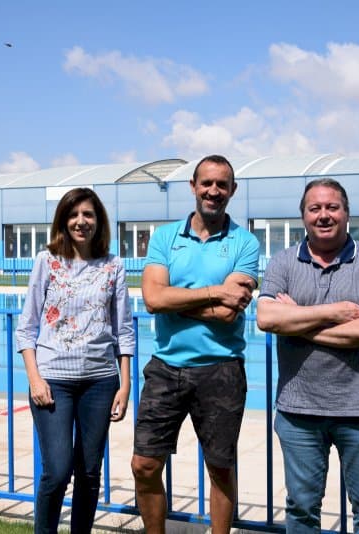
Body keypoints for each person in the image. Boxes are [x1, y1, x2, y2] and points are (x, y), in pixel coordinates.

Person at [130, 155, 260, 534]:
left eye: (222, 185)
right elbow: (153, 300)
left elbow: (228, 314)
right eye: (207, 183)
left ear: (232, 191)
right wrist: (213, 293)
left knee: (220, 467)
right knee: (144, 464)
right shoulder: (165, 237)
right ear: (193, 186)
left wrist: (175, 299)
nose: (213, 191)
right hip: (166, 367)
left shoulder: (244, 243)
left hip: (221, 368)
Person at [256, 178, 359, 534]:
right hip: (298, 411)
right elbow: (267, 318)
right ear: (303, 215)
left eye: (332, 207)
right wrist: (334, 312)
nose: (324, 215)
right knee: (301, 510)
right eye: (314, 208)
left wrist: (296, 321)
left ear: (346, 213)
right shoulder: (283, 262)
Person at [16, 187, 135, 534]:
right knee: (57, 470)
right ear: (63, 221)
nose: (81, 221)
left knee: (88, 472)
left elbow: (123, 330)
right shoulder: (47, 261)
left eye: (88, 214)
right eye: (74, 214)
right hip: (53, 380)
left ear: (99, 221)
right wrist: (35, 379)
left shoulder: (113, 266)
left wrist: (125, 385)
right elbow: (27, 327)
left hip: (101, 382)